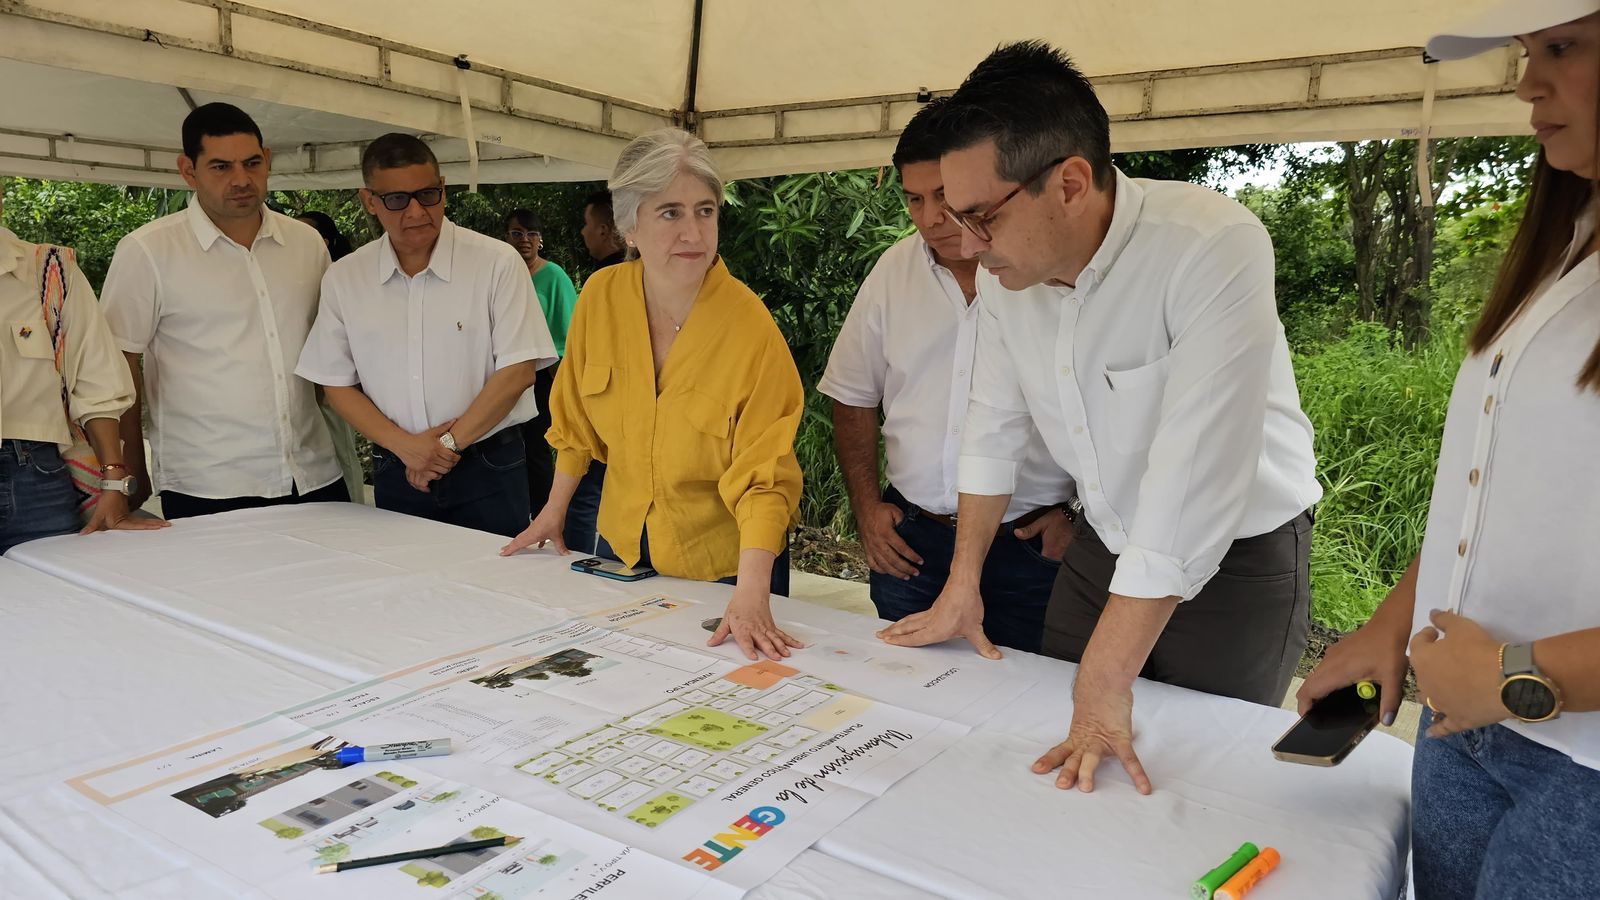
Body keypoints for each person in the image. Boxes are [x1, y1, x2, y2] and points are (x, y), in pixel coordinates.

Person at [881, 42, 1323, 795]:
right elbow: (990, 427)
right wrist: (962, 583)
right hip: (1105, 540)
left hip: (1238, 561)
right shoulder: (1006, 276)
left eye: (980, 217)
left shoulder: (1210, 245)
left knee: (1194, 777)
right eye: (955, 216)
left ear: (1070, 184)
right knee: (1062, 750)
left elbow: (1193, 473)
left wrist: (1107, 671)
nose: (967, 244)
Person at [1299, 4, 1600, 896]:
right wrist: (1391, 625)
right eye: (1526, 52)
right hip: (1467, 726)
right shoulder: (1565, 245)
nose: (1528, 83)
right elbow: (1492, 497)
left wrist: (1518, 678)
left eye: (1562, 47)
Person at [501, 128, 805, 662]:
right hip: (619, 548)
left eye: (705, 211)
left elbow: (765, 476)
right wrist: (553, 511)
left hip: (727, 568)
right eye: (670, 213)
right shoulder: (601, 297)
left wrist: (752, 594)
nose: (693, 232)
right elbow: (574, 423)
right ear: (629, 226)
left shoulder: (750, 327)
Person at [819, 102, 1075, 654]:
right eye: (914, 199)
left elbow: (1102, 407)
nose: (930, 217)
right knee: (905, 689)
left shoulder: (1046, 273)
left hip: (1031, 545)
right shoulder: (893, 272)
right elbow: (852, 396)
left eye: (944, 195)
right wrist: (867, 508)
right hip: (915, 542)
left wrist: (1079, 515)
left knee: (1032, 693)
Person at [296, 134, 556, 537]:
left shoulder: (495, 263)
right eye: (397, 199)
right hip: (396, 464)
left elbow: (519, 371)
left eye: (428, 195)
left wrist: (444, 448)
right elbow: (335, 384)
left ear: (443, 189)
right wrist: (406, 447)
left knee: (494, 574)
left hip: (488, 465)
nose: (416, 211)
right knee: (401, 575)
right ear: (369, 201)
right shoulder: (346, 277)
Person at [102, 102, 347, 520]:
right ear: (188, 170)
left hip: (313, 472)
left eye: (252, 163)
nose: (241, 180)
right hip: (209, 483)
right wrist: (129, 467)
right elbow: (118, 363)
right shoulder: (149, 250)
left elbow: (329, 348)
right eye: (220, 167)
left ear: (267, 159)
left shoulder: (306, 245)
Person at [0, 181, 166, 552]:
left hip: (33, 478)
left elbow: (97, 382)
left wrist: (114, 482)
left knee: (52, 587)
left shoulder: (50, 270)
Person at [563, 190, 627, 552]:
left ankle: (574, 561)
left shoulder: (608, 282)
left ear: (604, 230)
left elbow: (593, 352)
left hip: (604, 408)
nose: (583, 232)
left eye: (586, 224)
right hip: (622, 411)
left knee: (584, 496)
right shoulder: (620, 277)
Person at [505, 208, 579, 517]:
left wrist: (566, 394)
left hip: (544, 377)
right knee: (509, 446)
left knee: (537, 448)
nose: (525, 240)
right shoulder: (504, 275)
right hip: (505, 377)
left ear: (540, 239)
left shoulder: (554, 276)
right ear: (506, 238)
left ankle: (544, 516)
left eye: (531, 233)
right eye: (517, 233)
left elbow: (569, 336)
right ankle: (516, 512)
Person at [294, 209, 365, 504]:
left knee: (341, 450)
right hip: (299, 390)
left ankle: (353, 507)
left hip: (331, 388)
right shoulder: (291, 276)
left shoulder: (340, 278)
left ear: (323, 241)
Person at [580, 190, 628, 269]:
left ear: (602, 231)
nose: (583, 232)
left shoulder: (604, 274)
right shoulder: (643, 266)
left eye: (586, 223)